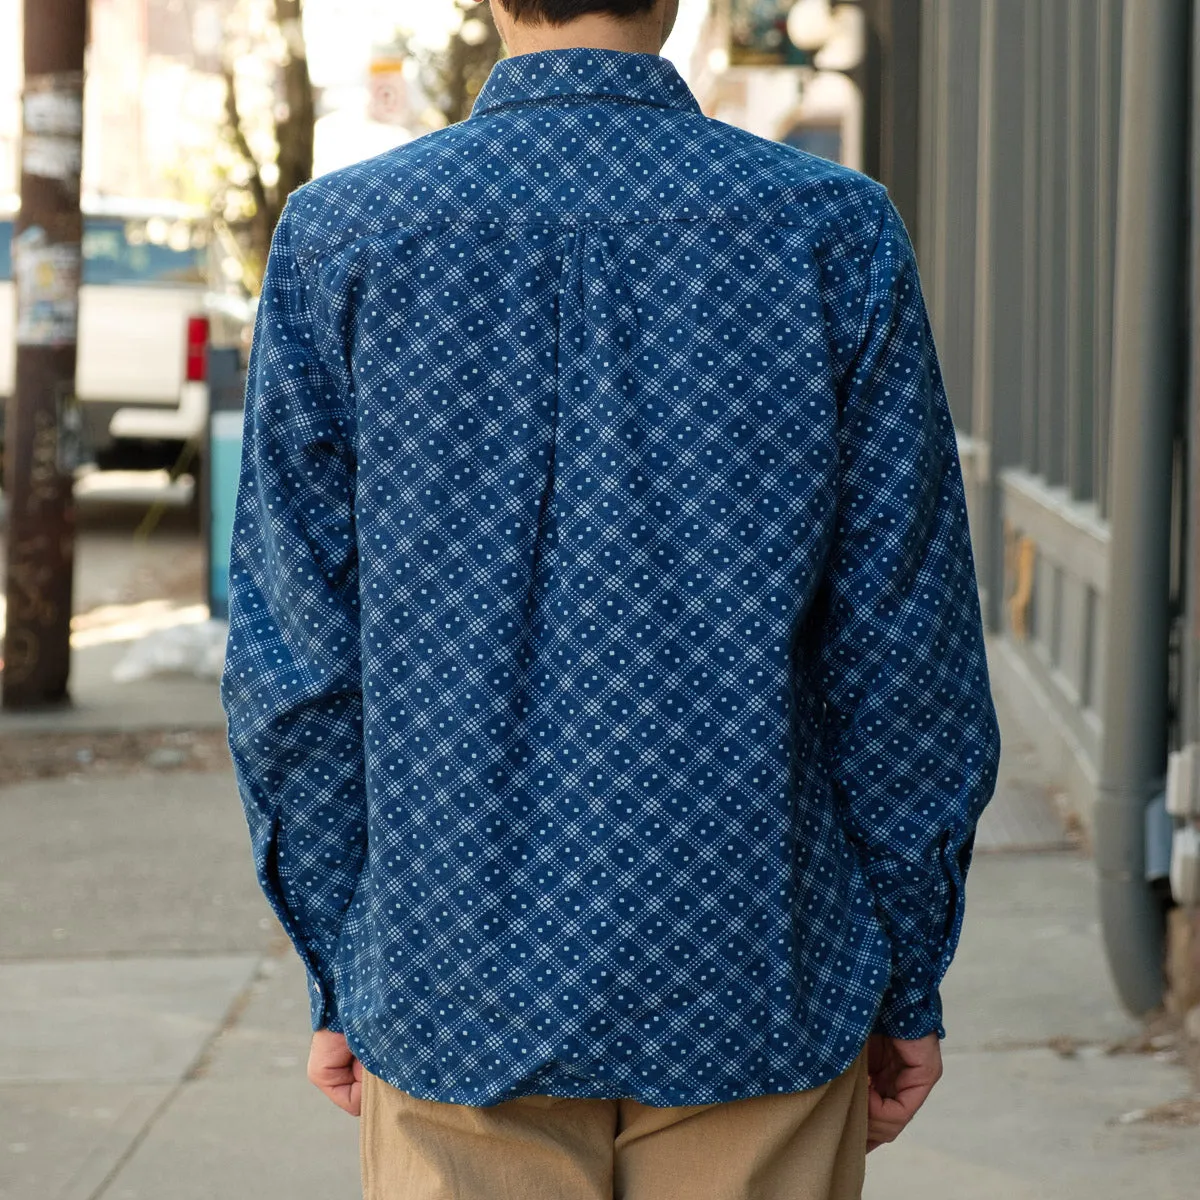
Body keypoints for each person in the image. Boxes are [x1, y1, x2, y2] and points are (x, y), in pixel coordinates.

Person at [220, 1, 1002, 1196]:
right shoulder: (828, 230)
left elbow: (297, 671)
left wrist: (344, 965)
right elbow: (908, 654)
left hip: (453, 977)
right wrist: (907, 972)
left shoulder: (348, 239)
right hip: (757, 966)